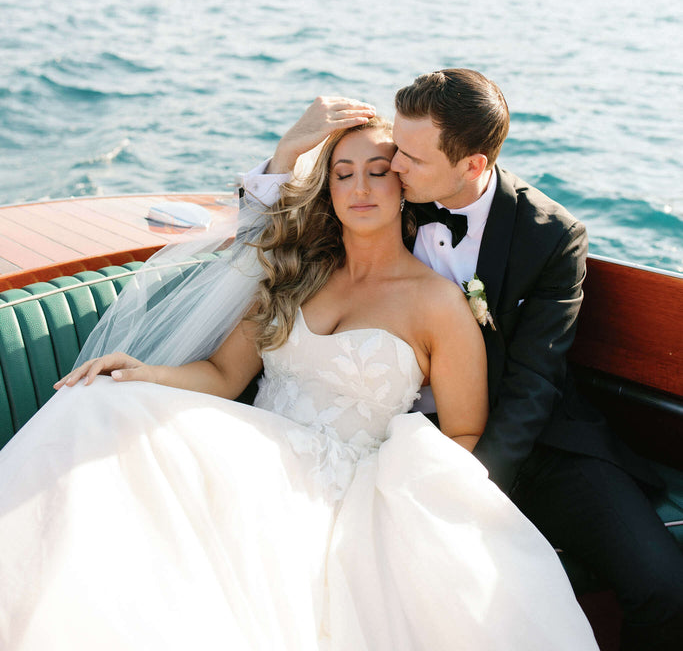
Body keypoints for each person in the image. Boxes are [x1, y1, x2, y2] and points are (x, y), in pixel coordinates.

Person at [0, 117, 599, 651]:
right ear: (328, 188)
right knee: (98, 403)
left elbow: (465, 430)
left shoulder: (440, 305)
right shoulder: (296, 271)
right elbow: (224, 373)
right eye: (343, 174)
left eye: (377, 172)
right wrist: (143, 371)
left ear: (404, 186)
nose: (361, 188)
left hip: (343, 486)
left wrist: (404, 504)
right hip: (251, 449)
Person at [249, 73, 683, 651]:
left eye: (408, 156)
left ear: (472, 165)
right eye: (394, 148)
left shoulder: (550, 237)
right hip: (391, 434)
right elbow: (272, 237)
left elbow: (534, 383)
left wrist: (464, 490)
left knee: (664, 587)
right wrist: (288, 151)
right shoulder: (392, 194)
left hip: (534, 445)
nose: (392, 165)